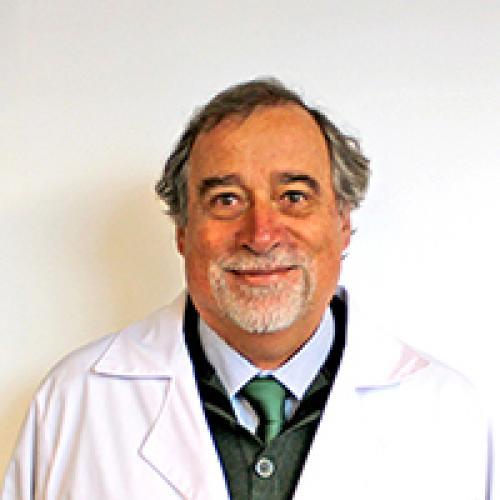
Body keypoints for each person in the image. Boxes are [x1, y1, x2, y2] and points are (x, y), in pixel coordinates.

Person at [1, 79, 491, 500]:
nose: (261, 235)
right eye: (226, 200)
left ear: (342, 223)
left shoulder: (450, 416)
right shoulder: (75, 403)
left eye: (294, 196)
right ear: (182, 230)